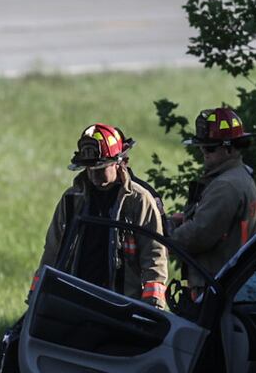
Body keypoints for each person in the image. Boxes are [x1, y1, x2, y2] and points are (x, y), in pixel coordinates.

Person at [34, 123, 168, 308]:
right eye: (89, 168)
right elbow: (52, 250)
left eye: (100, 167)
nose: (94, 174)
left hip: (121, 304)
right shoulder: (72, 199)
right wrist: (37, 294)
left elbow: (154, 255)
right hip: (76, 299)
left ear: (119, 162)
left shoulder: (138, 201)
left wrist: (152, 306)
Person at [168, 106, 256, 291]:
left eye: (210, 148)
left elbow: (199, 235)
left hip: (216, 286)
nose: (204, 151)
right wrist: (184, 219)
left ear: (229, 149)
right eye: (201, 146)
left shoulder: (225, 186)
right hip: (233, 283)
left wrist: (164, 237)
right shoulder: (240, 176)